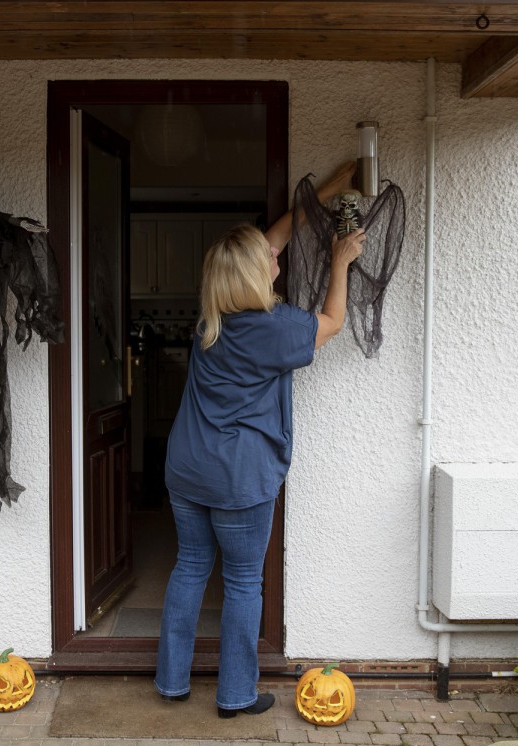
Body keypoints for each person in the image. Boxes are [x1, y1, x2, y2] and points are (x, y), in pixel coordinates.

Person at [155, 163, 365, 717]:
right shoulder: (272, 328)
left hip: (186, 468)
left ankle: (172, 683)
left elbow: (274, 238)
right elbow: (332, 321)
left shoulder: (212, 317)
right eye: (269, 262)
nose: (278, 258)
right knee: (244, 581)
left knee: (190, 566)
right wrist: (340, 261)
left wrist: (321, 195)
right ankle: (235, 695)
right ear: (254, 275)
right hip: (239, 476)